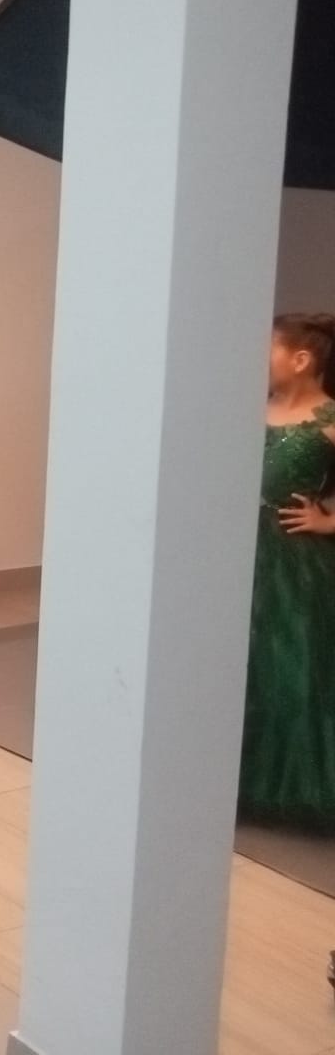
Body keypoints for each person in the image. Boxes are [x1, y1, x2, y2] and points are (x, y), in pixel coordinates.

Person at [243, 313, 335, 831]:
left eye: (267, 350)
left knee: (291, 663)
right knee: (239, 661)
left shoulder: (328, 417)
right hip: (240, 551)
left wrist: (329, 521)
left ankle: (287, 785)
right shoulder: (251, 408)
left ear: (300, 359)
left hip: (295, 563)